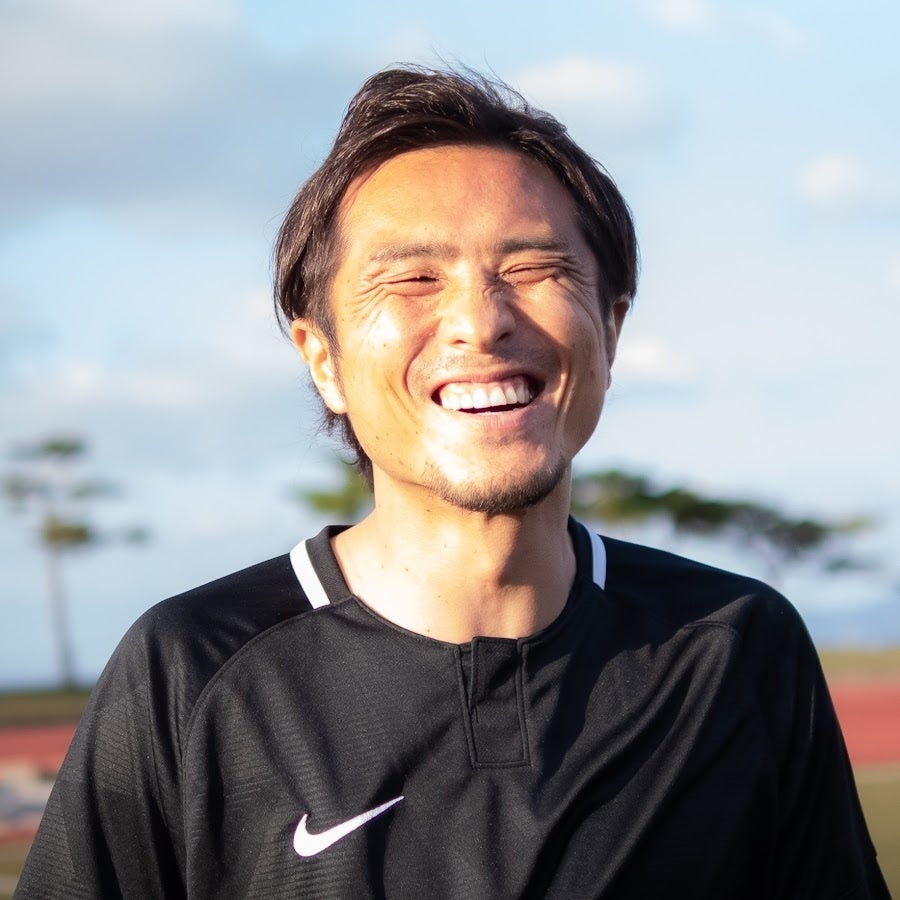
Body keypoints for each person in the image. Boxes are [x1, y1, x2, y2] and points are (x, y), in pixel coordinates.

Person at [16, 67, 889, 899]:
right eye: (413, 279)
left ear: (612, 328)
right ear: (322, 359)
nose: (480, 320)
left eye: (533, 269)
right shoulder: (191, 670)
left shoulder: (735, 649)